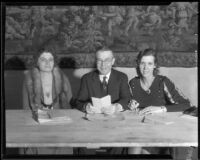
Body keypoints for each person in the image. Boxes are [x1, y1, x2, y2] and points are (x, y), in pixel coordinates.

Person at [128, 48, 194, 155]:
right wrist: (130, 104)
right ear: (138, 64)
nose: (145, 68)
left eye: (149, 63)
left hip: (160, 130)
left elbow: (186, 105)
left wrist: (160, 109)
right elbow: (127, 103)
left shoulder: (162, 82)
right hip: (139, 129)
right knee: (133, 149)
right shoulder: (133, 83)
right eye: (142, 63)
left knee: (145, 152)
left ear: (155, 65)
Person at [75, 48, 131, 154]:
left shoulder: (121, 77)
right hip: (92, 125)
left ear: (113, 61)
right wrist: (86, 106)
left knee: (118, 146)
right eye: (99, 60)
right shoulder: (86, 78)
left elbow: (126, 99)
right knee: (83, 147)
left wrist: (116, 107)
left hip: (115, 125)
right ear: (95, 61)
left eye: (107, 60)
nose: (103, 64)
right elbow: (78, 101)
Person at [22, 48, 73, 154]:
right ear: (37, 61)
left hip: (60, 125)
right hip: (36, 125)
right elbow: (25, 110)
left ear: (54, 62)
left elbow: (70, 108)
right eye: (43, 59)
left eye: (50, 59)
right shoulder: (29, 80)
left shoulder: (63, 79)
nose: (47, 63)